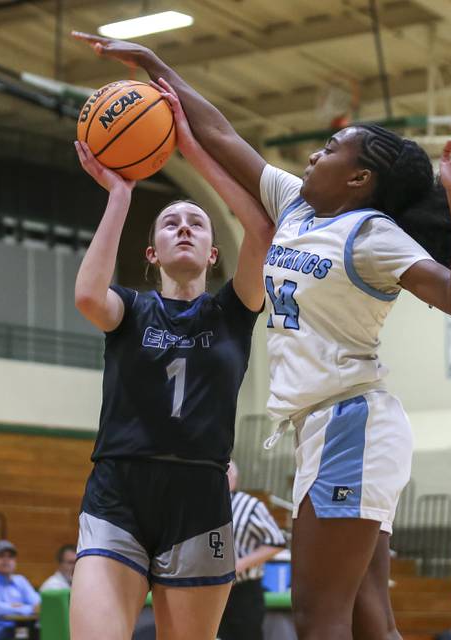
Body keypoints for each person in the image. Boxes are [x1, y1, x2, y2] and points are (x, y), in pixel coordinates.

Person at [71, 31, 451, 640]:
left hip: (353, 419)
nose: (312, 157)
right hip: (322, 427)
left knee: (317, 617)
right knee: (366, 616)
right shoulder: (296, 204)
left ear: (359, 180)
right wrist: (154, 67)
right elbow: (222, 135)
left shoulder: (371, 235)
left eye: (330, 150)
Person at [67, 81, 274, 640]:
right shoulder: (130, 311)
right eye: (170, 223)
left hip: (200, 497)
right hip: (119, 488)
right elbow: (88, 295)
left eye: (197, 222)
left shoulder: (234, 310)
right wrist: (119, 196)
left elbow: (262, 226)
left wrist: (190, 148)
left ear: (212, 253)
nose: (183, 224)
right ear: (152, 252)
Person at [218, 460, 286, 640]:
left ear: (234, 477)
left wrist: (238, 565)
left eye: (225, 472)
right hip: (209, 590)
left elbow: (276, 542)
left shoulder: (250, 505)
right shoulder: (201, 505)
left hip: (243, 592)